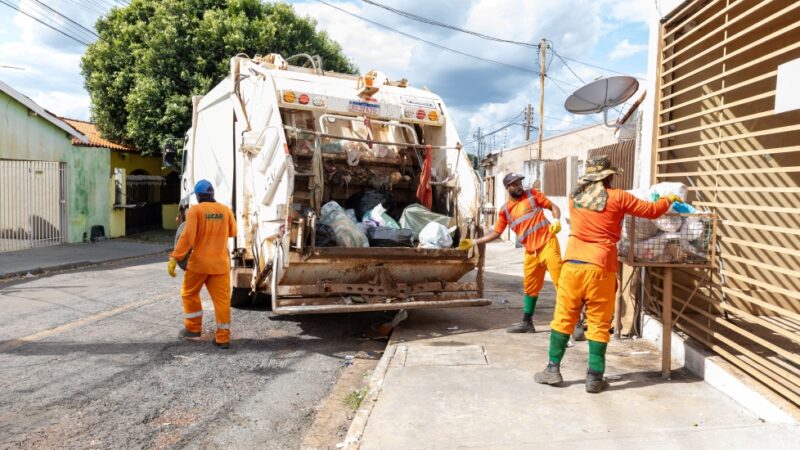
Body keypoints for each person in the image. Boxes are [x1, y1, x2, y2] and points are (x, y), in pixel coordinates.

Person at [534, 156, 680, 393]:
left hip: (572, 265)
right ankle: (594, 377)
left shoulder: (574, 198)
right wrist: (668, 200)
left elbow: (593, 201)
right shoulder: (618, 197)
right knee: (599, 322)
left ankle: (552, 369)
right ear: (608, 176)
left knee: (563, 318)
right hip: (601, 266)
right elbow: (652, 211)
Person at [460, 173, 563, 333]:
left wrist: (556, 220)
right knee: (530, 288)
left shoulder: (532, 194)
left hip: (548, 243)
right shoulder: (505, 211)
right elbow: (495, 234)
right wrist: (474, 242)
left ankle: (576, 323)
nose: (519, 186)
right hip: (530, 251)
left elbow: (554, 207)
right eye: (515, 184)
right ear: (508, 188)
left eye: (520, 183)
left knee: (562, 283)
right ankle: (527, 323)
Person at [168, 180, 237, 349]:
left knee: (189, 294)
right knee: (221, 302)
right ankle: (223, 338)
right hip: (220, 266)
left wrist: (175, 257)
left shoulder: (196, 211)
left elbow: (187, 237)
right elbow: (233, 232)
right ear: (212, 195)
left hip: (199, 265)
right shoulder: (225, 210)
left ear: (198, 196)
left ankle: (193, 328)